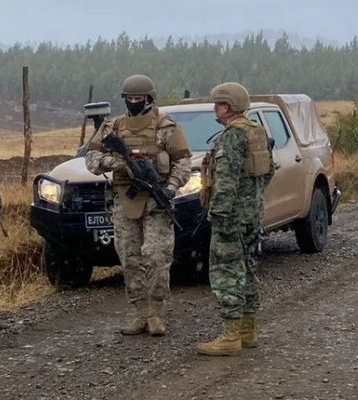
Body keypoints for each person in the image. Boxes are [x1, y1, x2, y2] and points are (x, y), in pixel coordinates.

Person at [86, 74, 192, 336]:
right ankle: (139, 312)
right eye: (130, 98)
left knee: (157, 257)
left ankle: (156, 313)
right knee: (129, 258)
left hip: (157, 201)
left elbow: (183, 161)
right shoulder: (112, 127)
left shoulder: (166, 127)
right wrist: (117, 163)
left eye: (139, 98)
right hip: (125, 199)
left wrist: (170, 188)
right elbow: (92, 159)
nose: (134, 102)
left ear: (148, 98)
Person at [197, 82, 273, 356]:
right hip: (253, 214)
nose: (215, 109)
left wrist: (217, 214)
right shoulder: (257, 132)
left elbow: (225, 181)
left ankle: (231, 337)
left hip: (230, 217)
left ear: (227, 106)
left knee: (226, 273)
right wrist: (251, 198)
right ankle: (248, 331)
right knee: (249, 270)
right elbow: (268, 172)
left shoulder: (231, 137)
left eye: (218, 104)